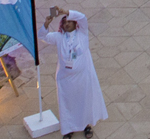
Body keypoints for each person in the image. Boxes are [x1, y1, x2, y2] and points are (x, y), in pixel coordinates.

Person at [42, 8, 108, 138]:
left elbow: (82, 17)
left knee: (84, 102)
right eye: (64, 22)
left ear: (75, 23)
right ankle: (68, 129)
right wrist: (46, 24)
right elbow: (43, 37)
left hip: (82, 77)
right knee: (67, 105)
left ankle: (86, 126)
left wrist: (64, 11)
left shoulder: (82, 33)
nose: (67, 24)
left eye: (70, 21)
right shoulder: (59, 37)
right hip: (65, 80)